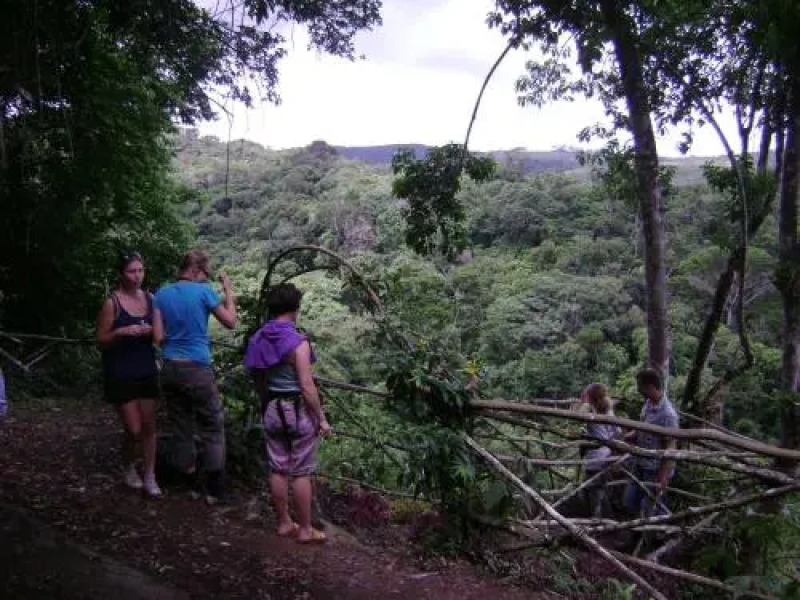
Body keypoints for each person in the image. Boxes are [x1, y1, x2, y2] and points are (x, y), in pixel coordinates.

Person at [244, 283, 331, 544]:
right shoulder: (298, 343)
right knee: (301, 471)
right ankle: (305, 529)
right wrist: (321, 419)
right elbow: (307, 386)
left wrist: (267, 400)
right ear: (295, 309)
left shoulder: (259, 337)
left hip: (272, 406)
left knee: (278, 467)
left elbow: (256, 375)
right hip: (297, 409)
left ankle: (284, 523)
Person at [154, 249, 237, 505]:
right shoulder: (203, 292)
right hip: (197, 368)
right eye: (205, 273)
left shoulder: (161, 294)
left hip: (170, 368)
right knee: (212, 426)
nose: (205, 278)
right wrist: (228, 291)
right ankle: (214, 491)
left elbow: (158, 337)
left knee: (181, 426)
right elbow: (231, 322)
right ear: (196, 270)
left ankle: (187, 482)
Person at [96, 251, 163, 497]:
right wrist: (121, 332)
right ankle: (129, 465)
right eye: (131, 271)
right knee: (133, 429)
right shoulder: (111, 303)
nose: (137, 276)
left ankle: (150, 475)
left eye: (140, 271)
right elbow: (101, 340)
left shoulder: (151, 299)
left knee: (149, 426)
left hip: (146, 367)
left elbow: (159, 335)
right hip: (120, 370)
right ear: (121, 274)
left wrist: (150, 331)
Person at [623, 368, 679, 517]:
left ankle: (659, 529)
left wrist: (663, 476)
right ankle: (636, 527)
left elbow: (671, 447)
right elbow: (643, 427)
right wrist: (629, 436)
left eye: (640, 387)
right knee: (630, 502)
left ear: (650, 387)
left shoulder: (668, 415)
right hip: (640, 462)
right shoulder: (648, 403)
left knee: (653, 506)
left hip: (655, 468)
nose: (638, 390)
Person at [578, 383, 621, 517]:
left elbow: (578, 416)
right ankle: (602, 517)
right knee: (598, 488)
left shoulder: (591, 412)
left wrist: (585, 403)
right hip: (606, 455)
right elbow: (618, 431)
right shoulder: (608, 411)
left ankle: (597, 520)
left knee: (593, 490)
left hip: (595, 458)